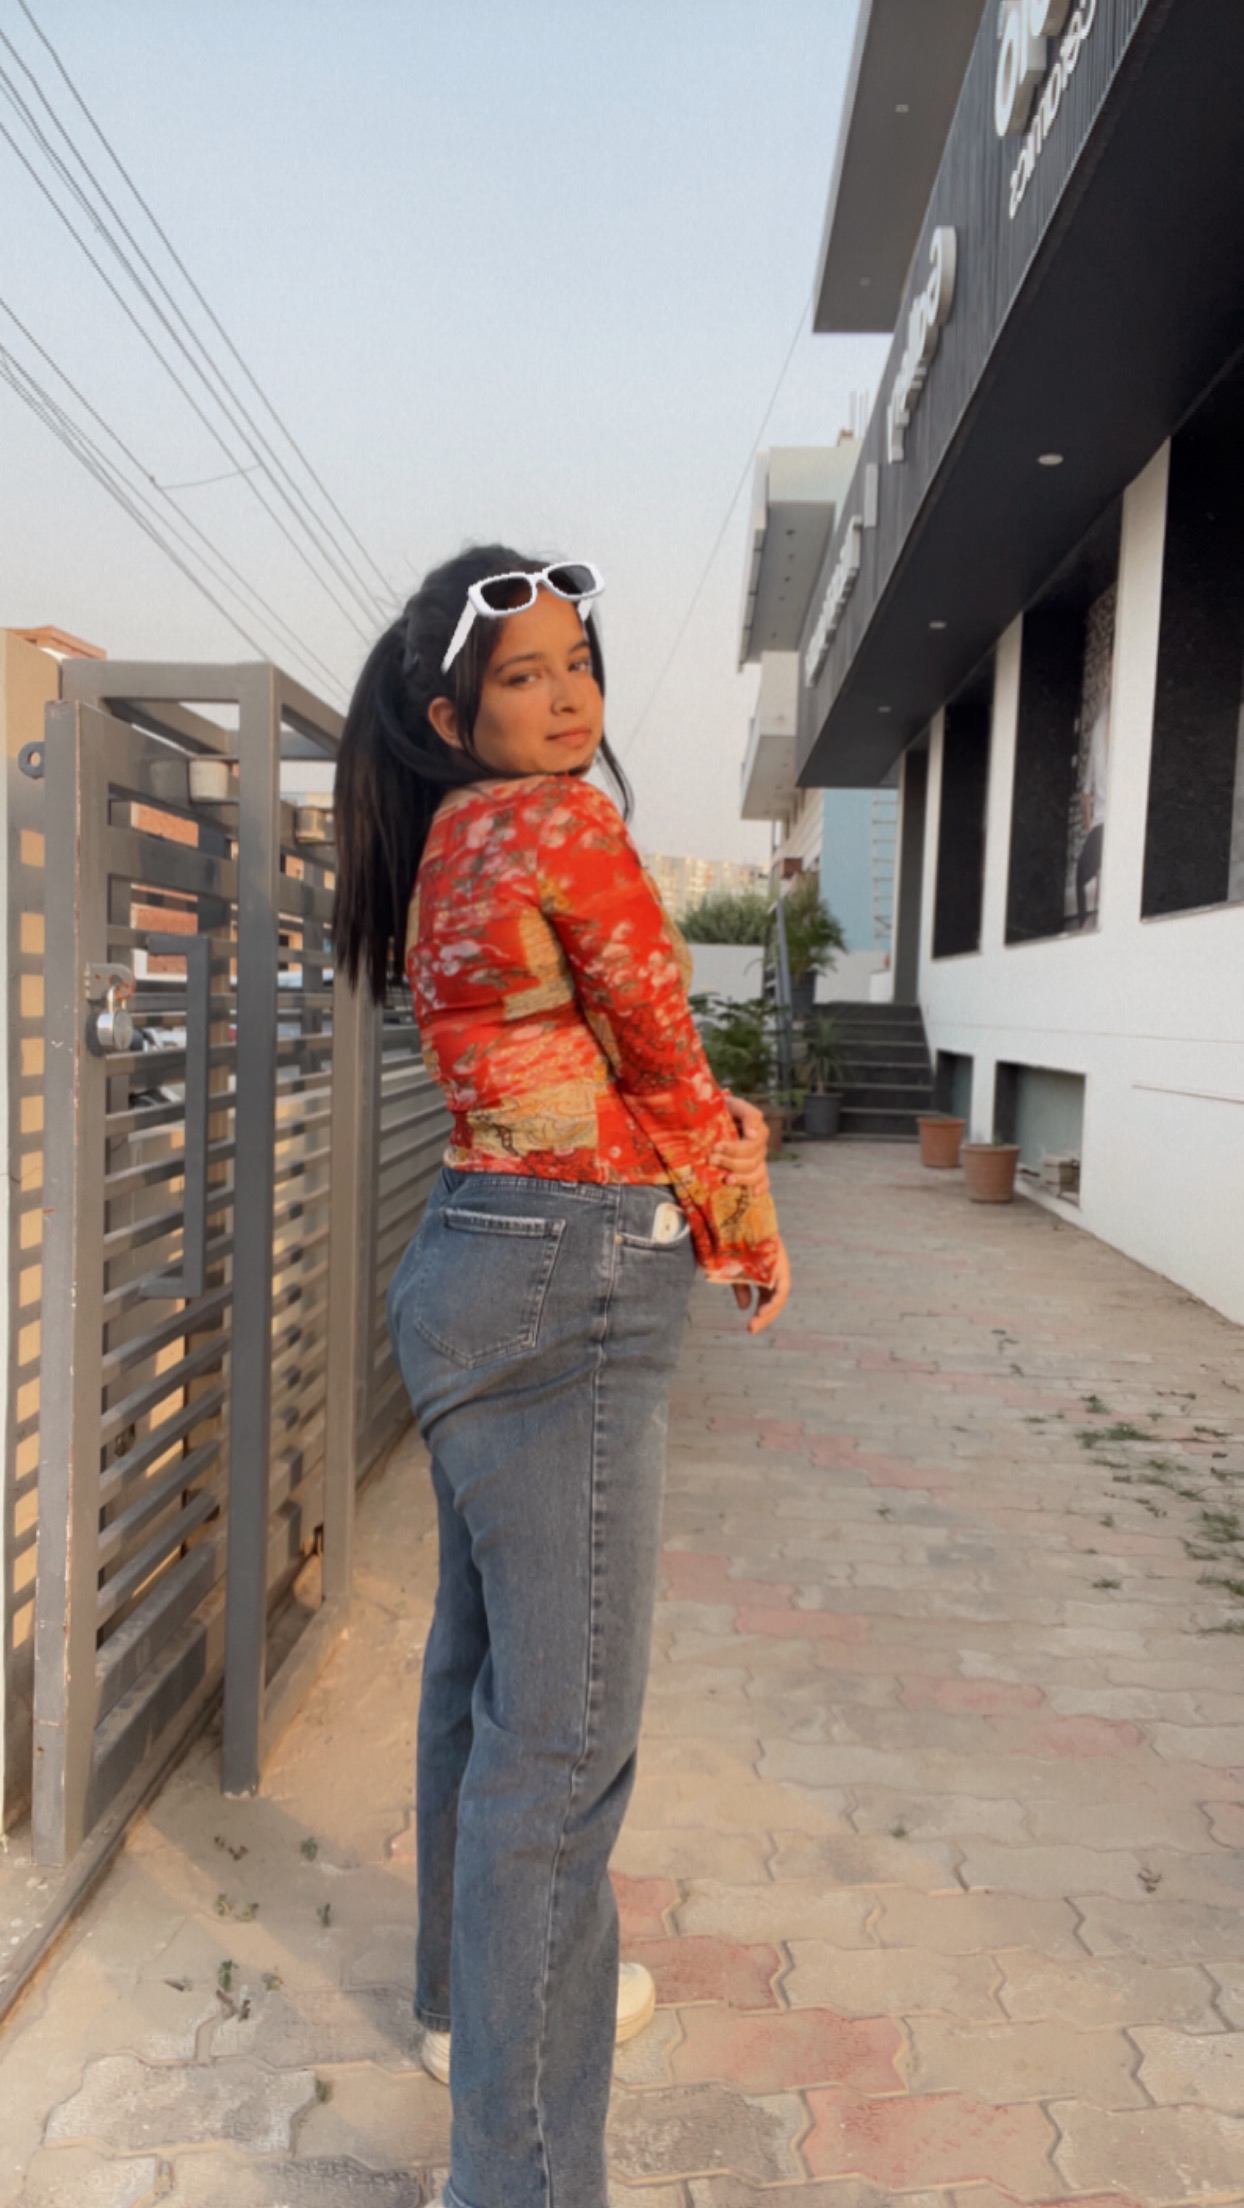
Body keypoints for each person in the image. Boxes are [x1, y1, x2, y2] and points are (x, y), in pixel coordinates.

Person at [332, 545, 790, 2208]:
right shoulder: (566, 823)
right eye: (522, 675)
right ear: (454, 714)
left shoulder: (445, 838)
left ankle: (471, 2012)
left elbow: (559, 1055)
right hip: (571, 1274)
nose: (566, 695)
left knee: (483, 1679)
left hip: (472, 1251)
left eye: (576, 662)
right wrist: (739, 1202)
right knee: (565, 1749)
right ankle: (516, 2177)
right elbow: (657, 1034)